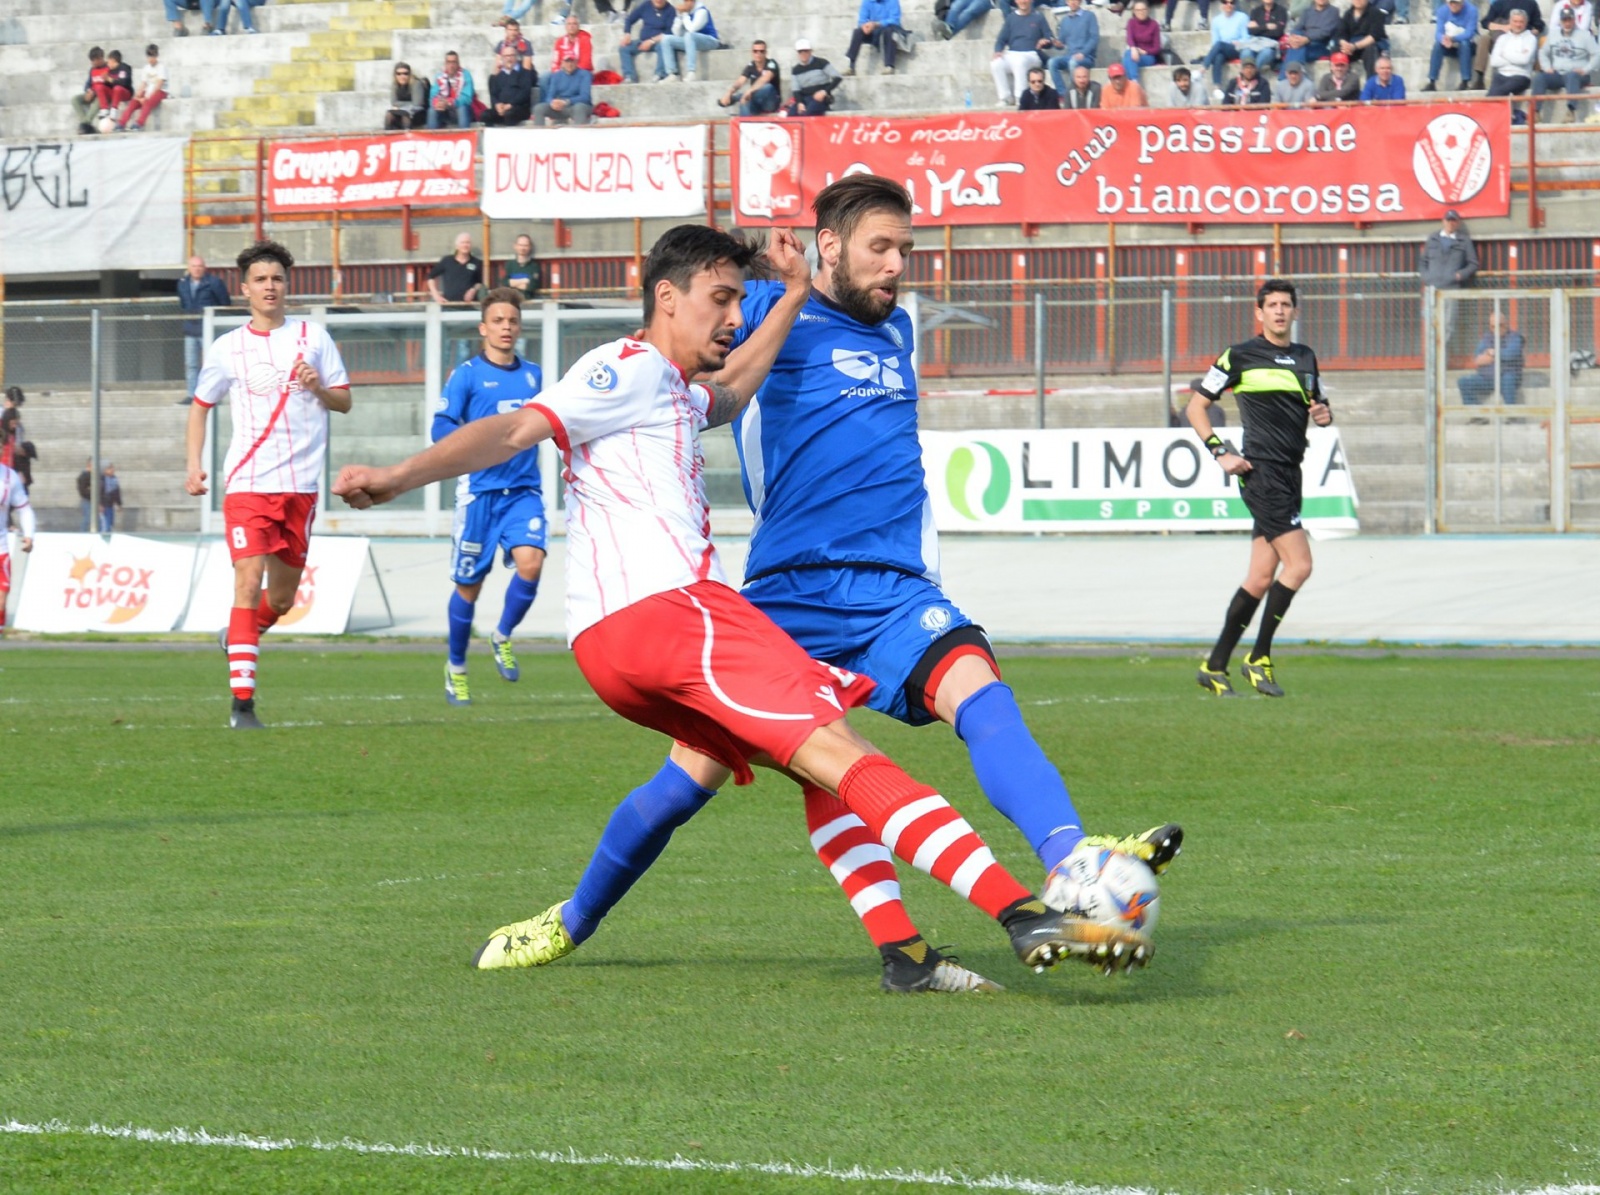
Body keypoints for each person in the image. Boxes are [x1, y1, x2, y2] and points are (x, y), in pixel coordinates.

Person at [334, 220, 1157, 988]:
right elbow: (516, 429)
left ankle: (899, 952)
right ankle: (1025, 914)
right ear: (667, 297)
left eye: (738, 300)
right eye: (720, 299)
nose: (732, 316)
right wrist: (397, 478)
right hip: (673, 615)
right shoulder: (626, 366)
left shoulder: (674, 392)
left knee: (804, 762)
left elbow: (728, 395)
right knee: (845, 758)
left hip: (621, 644)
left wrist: (792, 295)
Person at [184, 240, 352, 730]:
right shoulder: (227, 348)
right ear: (245, 289)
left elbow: (343, 402)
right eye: (260, 279)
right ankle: (242, 705)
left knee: (279, 601)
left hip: (300, 487)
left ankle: (240, 636)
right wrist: (193, 463)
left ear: (287, 284)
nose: (269, 286)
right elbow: (200, 404)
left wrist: (318, 386)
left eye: (276, 278)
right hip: (248, 484)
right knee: (245, 580)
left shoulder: (313, 338)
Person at [1188, 278, 1332, 699]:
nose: (1279, 311)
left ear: (1295, 311)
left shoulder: (1306, 357)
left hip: (1292, 472)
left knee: (1260, 576)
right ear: (1259, 312)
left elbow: (1316, 404)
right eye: (1272, 305)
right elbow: (1196, 407)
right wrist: (1220, 452)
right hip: (1262, 474)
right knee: (1300, 565)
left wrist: (1323, 414)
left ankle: (1214, 666)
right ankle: (1259, 657)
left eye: (1286, 304)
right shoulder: (1239, 356)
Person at [433, 289, 547, 706]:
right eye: (497, 321)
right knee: (469, 588)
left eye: (512, 321)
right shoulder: (466, 375)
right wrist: (472, 445)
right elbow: (440, 426)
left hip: (522, 492)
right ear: (484, 328)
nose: (506, 328)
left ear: (519, 327)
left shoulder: (534, 375)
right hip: (478, 494)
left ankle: (501, 636)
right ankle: (456, 668)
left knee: (531, 564)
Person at [1419, 210, 1478, 351]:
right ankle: (1431, 358)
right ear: (1443, 221)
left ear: (1457, 223)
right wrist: (1426, 277)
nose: (1451, 223)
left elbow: (1473, 263)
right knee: (1429, 323)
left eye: (1454, 220)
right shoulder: (1433, 238)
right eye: (1448, 220)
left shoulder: (1464, 241)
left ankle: (1441, 358)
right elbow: (1423, 261)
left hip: (1451, 291)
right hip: (1431, 289)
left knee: (1448, 325)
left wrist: (1460, 275)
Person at [177, 256, 230, 405]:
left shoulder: (214, 282)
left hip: (208, 329)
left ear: (204, 267)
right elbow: (183, 303)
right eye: (194, 266)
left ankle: (212, 395)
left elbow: (224, 303)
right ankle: (192, 395)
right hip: (190, 328)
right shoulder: (182, 284)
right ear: (189, 268)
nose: (197, 269)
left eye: (200, 266)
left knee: (211, 364)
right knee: (191, 363)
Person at [1530, 4, 1599, 118]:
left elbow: (1597, 54)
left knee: (1572, 76)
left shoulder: (1585, 35)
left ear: (1574, 20)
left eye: (1569, 20)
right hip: (1558, 73)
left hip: (1578, 74)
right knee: (1539, 78)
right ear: (1560, 21)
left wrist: (1586, 69)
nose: (1567, 23)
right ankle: (1535, 113)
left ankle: (1570, 112)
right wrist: (1547, 67)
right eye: (1564, 20)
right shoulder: (1553, 35)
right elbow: (1543, 52)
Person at [992, 0, 1059, 104]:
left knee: (1019, 62)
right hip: (1013, 53)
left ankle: (1021, 97)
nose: (1023, 1)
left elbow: (1049, 37)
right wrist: (998, 51)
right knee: (996, 64)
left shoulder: (1038, 17)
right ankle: (1005, 97)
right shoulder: (1011, 18)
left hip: (1032, 54)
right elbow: (1001, 39)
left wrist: (1045, 42)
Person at [1459, 309, 1525, 407]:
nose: (1497, 329)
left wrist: (1492, 353)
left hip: (1507, 376)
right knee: (1463, 382)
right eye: (1493, 326)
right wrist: (1493, 356)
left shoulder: (1515, 337)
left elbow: (1510, 354)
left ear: (1506, 324)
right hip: (1489, 378)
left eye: (1500, 325)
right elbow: (1478, 359)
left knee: (1508, 379)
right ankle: (1477, 415)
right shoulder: (1487, 338)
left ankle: (1511, 416)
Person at [1472, 0, 1544, 87]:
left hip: (1521, 38)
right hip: (1498, 38)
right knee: (1484, 39)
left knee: (1535, 41)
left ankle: (1539, 78)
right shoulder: (1499, 3)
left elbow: (1539, 25)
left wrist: (1529, 35)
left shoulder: (1531, 3)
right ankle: (1480, 78)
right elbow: (1485, 23)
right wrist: (1503, 27)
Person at [0, 460, 36, 635]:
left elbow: (24, 509)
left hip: (1, 548)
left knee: (1, 601)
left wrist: (29, 535)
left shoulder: (9, 477)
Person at [658, 0, 723, 81]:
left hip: (710, 40)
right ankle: (672, 73)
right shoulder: (687, 13)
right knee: (666, 39)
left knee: (689, 35)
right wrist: (679, 17)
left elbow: (691, 29)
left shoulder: (702, 11)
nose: (686, 3)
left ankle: (691, 72)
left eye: (689, 1)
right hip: (691, 41)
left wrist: (685, 14)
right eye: (685, 1)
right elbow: (676, 33)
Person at [1422, 0, 1479, 90]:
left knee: (1464, 44)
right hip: (1449, 43)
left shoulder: (1472, 10)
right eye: (1451, 3)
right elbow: (1438, 33)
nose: (1453, 5)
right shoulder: (1442, 10)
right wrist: (1444, 39)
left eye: (1456, 3)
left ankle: (1465, 81)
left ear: (1462, 3)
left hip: (1468, 44)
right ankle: (1432, 81)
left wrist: (1453, 39)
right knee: (1437, 45)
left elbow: (1470, 33)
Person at [1486, 7, 1539, 97]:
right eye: (1515, 21)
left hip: (1521, 76)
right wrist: (1516, 57)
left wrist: (1504, 54)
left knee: (1497, 94)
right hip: (1501, 75)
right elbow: (1494, 62)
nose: (1518, 25)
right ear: (1510, 22)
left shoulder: (1530, 38)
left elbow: (1524, 60)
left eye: (1521, 22)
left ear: (1526, 23)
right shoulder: (1502, 38)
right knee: (1490, 97)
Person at [1047, 0, 1099, 94]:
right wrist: (1057, 44)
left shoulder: (1089, 16)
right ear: (1067, 2)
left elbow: (1094, 38)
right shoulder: (1065, 20)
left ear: (1080, 2)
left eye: (1075, 0)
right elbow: (1062, 43)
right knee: (1052, 62)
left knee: (1073, 62)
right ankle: (1062, 93)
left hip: (1086, 57)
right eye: (1070, 1)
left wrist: (1083, 53)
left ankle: (1074, 92)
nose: (1072, 2)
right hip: (1070, 55)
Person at [619, 0, 677, 83]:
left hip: (658, 41)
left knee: (664, 46)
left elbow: (669, 32)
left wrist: (651, 41)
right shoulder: (645, 5)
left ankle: (659, 74)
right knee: (624, 48)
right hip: (642, 41)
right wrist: (627, 34)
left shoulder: (670, 10)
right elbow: (629, 20)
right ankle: (629, 76)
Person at [717, 40, 782, 113]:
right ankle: (743, 123)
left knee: (768, 87)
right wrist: (729, 93)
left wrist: (749, 91)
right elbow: (740, 81)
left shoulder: (772, 63)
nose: (758, 54)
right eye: (755, 51)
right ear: (752, 53)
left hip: (770, 103)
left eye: (761, 51)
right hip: (756, 102)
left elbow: (765, 79)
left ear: (766, 53)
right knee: (745, 102)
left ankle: (736, 98)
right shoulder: (751, 66)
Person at [782, 40, 844, 115]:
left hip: (821, 99)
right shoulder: (796, 70)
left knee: (809, 113)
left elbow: (838, 78)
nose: (803, 53)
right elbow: (796, 90)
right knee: (791, 114)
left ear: (810, 51)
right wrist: (799, 103)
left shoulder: (821, 63)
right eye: (800, 51)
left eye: (806, 51)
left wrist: (824, 92)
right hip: (805, 99)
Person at [847, 0, 906, 75]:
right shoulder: (867, 2)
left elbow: (895, 20)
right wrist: (865, 26)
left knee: (889, 31)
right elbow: (862, 20)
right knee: (858, 31)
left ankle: (889, 66)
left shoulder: (892, 1)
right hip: (873, 32)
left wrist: (877, 24)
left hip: (888, 29)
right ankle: (851, 67)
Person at [1199, 0, 1251, 84]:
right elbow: (1215, 41)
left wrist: (1238, 42)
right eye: (1225, 2)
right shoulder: (1216, 20)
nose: (1229, 5)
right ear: (1222, 4)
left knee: (1219, 45)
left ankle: (1203, 68)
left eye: (1232, 2)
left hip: (1238, 48)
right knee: (1218, 57)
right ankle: (1217, 86)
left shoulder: (1243, 17)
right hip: (1222, 48)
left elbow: (1247, 37)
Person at [532, 53, 594, 124]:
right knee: (538, 108)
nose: (570, 64)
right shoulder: (556, 76)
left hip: (577, 105)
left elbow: (585, 97)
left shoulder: (585, 74)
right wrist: (552, 103)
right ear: (562, 63)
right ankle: (540, 133)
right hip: (560, 107)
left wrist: (566, 102)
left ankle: (579, 133)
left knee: (579, 108)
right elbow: (549, 96)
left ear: (577, 62)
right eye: (567, 61)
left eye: (572, 61)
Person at [116, 44, 166, 131]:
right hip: (148, 91)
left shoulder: (161, 67)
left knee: (147, 103)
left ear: (157, 56)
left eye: (153, 56)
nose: (151, 59)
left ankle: (139, 123)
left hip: (160, 91)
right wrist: (138, 96)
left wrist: (146, 98)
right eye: (149, 56)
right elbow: (143, 84)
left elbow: (158, 85)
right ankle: (122, 123)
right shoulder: (146, 68)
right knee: (133, 102)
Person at [1282, 0, 1341, 70]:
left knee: (1294, 51)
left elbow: (1325, 32)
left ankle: (1285, 77)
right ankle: (1294, 73)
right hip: (1304, 43)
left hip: (1322, 45)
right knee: (1297, 42)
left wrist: (1307, 38)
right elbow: (1298, 27)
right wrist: (1293, 37)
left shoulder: (1334, 11)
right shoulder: (1307, 11)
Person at [484, 45, 536, 125]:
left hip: (519, 108)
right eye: (506, 56)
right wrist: (497, 104)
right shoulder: (497, 76)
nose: (509, 58)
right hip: (501, 108)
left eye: (512, 55)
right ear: (502, 58)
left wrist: (510, 105)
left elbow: (525, 93)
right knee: (486, 115)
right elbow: (493, 94)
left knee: (509, 115)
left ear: (516, 57)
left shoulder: (525, 73)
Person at [428, 233, 484, 306]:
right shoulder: (447, 261)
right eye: (462, 242)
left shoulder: (477, 263)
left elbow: (479, 282)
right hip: (449, 306)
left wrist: (473, 290)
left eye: (468, 242)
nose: (465, 245)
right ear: (457, 246)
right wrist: (436, 295)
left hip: (470, 306)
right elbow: (430, 277)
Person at [1336, 0, 1388, 77]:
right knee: (1335, 50)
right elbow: (1341, 34)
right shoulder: (1348, 14)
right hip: (1351, 48)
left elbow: (1374, 36)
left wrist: (1355, 46)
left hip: (1368, 46)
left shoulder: (1376, 13)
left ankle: (1371, 83)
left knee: (1371, 50)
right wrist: (1345, 45)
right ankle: (1339, 81)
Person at [427, 51, 475, 128]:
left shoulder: (466, 75)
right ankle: (431, 138)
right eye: (448, 62)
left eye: (454, 62)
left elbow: (467, 98)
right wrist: (438, 103)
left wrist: (450, 102)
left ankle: (464, 137)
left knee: (462, 109)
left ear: (458, 63)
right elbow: (432, 96)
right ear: (445, 64)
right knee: (432, 111)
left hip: (460, 109)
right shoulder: (439, 76)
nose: (451, 65)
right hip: (444, 111)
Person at [1122, 0, 1165, 79]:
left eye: (1143, 10)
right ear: (1134, 11)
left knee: (1127, 59)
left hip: (1148, 56)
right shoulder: (1131, 22)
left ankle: (1133, 84)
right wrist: (1134, 48)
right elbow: (1129, 38)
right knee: (1129, 56)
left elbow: (1157, 48)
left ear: (1148, 10)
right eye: (1138, 10)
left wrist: (1144, 52)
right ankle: (1135, 82)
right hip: (1134, 53)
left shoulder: (1154, 24)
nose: (1141, 12)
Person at [71, 47, 109, 133]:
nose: (92, 63)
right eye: (91, 60)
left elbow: (109, 85)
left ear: (100, 58)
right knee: (75, 100)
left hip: (103, 95)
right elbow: (88, 83)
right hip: (92, 94)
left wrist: (94, 92)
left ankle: (85, 125)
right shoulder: (92, 70)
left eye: (94, 60)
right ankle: (87, 126)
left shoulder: (108, 68)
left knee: (98, 101)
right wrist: (88, 91)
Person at [0, 387, 31, 490]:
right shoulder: (2, 416)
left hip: (10, 465)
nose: (16, 406)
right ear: (7, 401)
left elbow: (17, 444)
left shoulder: (17, 423)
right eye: (14, 403)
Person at [384, 62, 429, 129]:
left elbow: (417, 103)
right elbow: (393, 102)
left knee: (405, 115)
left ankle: (408, 137)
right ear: (395, 75)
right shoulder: (395, 85)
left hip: (418, 112)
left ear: (409, 74)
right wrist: (405, 106)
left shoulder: (416, 84)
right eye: (398, 74)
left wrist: (400, 106)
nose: (402, 76)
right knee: (389, 114)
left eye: (405, 74)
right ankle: (387, 136)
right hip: (402, 111)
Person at [98, 463, 123, 533]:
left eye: (112, 468)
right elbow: (98, 492)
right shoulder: (101, 479)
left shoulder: (114, 479)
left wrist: (119, 504)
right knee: (105, 526)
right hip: (103, 506)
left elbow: (117, 492)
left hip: (110, 505)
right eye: (110, 468)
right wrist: (99, 504)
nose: (112, 470)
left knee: (110, 524)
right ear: (105, 470)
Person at [77, 459, 94, 531]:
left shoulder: (92, 475)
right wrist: (92, 493)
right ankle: (83, 535)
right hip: (87, 501)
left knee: (91, 519)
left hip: (91, 500)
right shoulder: (84, 475)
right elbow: (83, 490)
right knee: (87, 519)